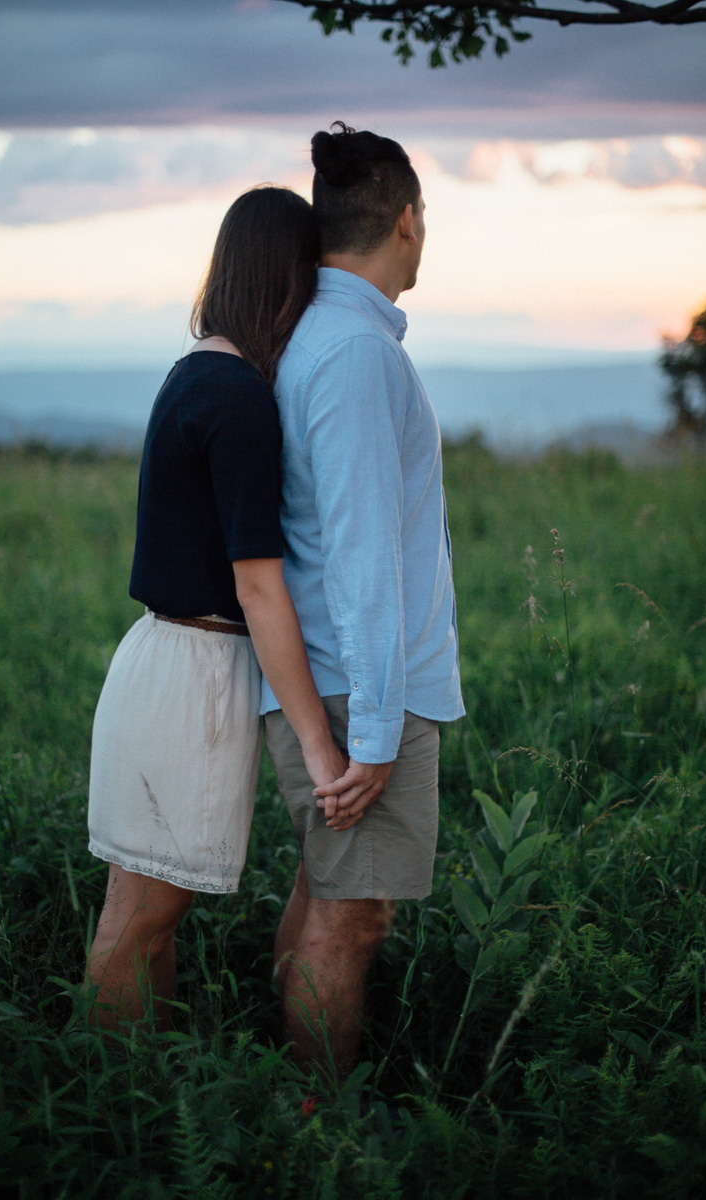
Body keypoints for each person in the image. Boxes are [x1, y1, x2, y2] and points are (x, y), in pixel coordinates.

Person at [85, 185, 348, 1032]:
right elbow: (258, 581)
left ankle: (135, 1109)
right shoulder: (238, 396)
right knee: (142, 923)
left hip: (161, 659)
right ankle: (98, 1118)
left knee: (146, 918)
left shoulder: (198, 368)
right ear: (289, 278)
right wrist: (317, 739)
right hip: (193, 675)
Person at [263, 124, 465, 1077]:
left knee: (328, 901)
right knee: (352, 920)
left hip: (342, 682)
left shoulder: (328, 337)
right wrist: (378, 730)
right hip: (355, 691)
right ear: (406, 220)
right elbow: (362, 555)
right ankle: (317, 1135)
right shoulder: (351, 351)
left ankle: (290, 1115)